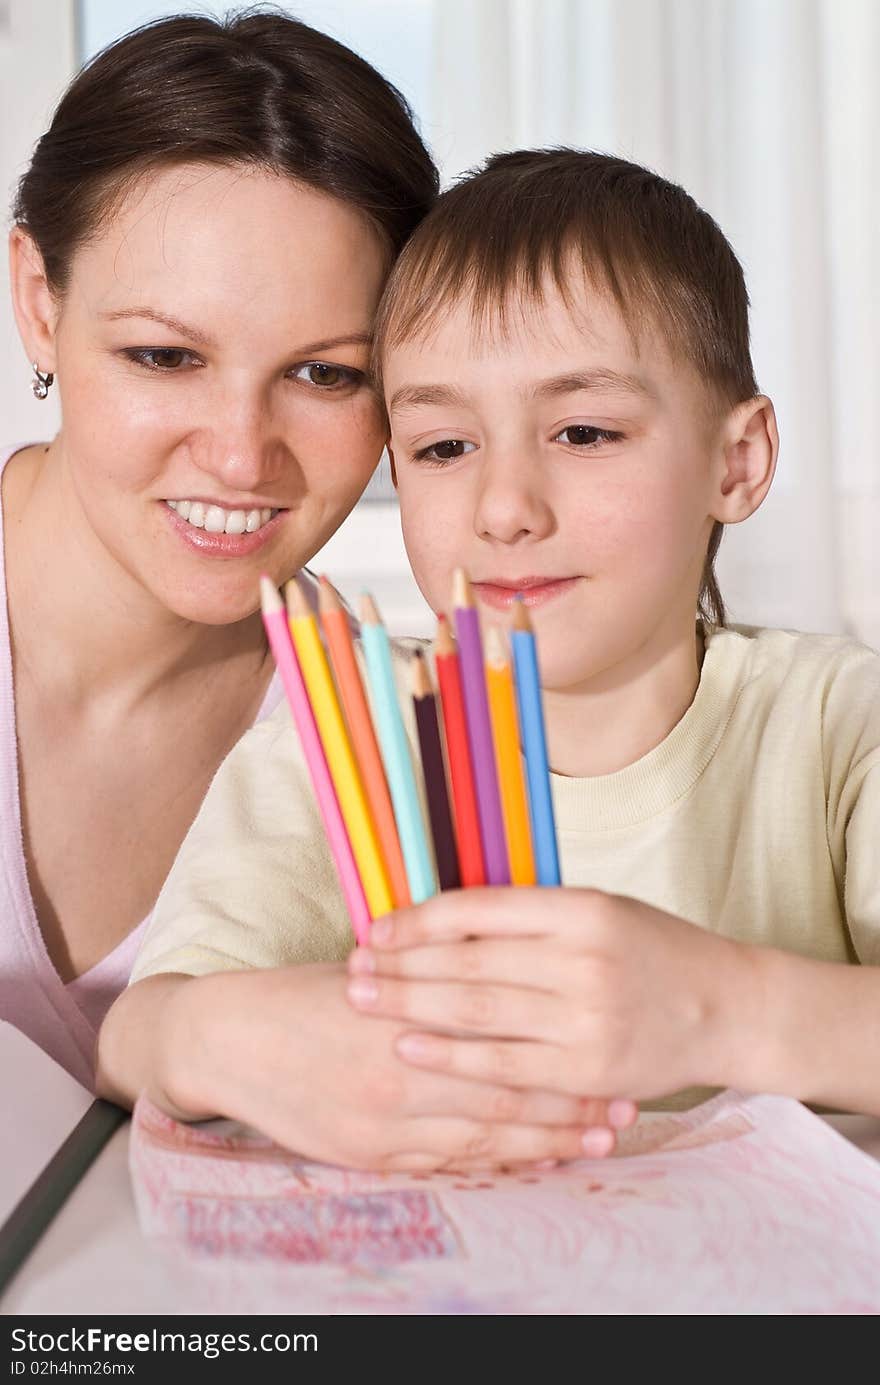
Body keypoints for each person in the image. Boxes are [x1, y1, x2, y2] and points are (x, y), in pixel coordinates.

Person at [107, 142, 879, 1170]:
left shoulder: (838, 725)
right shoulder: (341, 737)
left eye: (585, 431)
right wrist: (223, 1038)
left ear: (735, 461)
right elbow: (135, 1036)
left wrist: (718, 1006)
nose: (505, 508)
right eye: (442, 447)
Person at [1, 10, 438, 1089]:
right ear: (38, 303)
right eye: (164, 354)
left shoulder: (400, 742)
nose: (242, 458)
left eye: (326, 373)